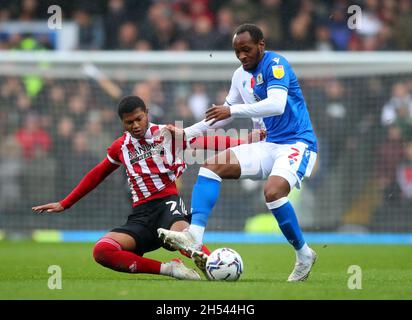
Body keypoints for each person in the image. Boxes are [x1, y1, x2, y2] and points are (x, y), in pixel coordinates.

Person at [158, 23, 318, 282]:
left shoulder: (276, 64)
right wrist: (186, 133)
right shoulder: (239, 76)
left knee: (273, 192)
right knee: (210, 167)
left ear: (261, 46)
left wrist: (231, 111)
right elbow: (221, 116)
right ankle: (194, 236)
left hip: (297, 143)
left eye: (246, 49)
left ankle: (303, 254)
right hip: (268, 144)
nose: (242, 55)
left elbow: (276, 105)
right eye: (237, 52)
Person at [32, 95, 253, 280]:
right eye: (129, 123)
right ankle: (169, 269)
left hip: (168, 206)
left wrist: (246, 141)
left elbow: (205, 142)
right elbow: (97, 174)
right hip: (140, 216)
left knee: (187, 238)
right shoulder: (120, 147)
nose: (135, 125)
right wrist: (65, 203)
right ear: (122, 123)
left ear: (146, 113)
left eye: (139, 119)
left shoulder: (167, 134)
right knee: (102, 251)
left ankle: (215, 267)